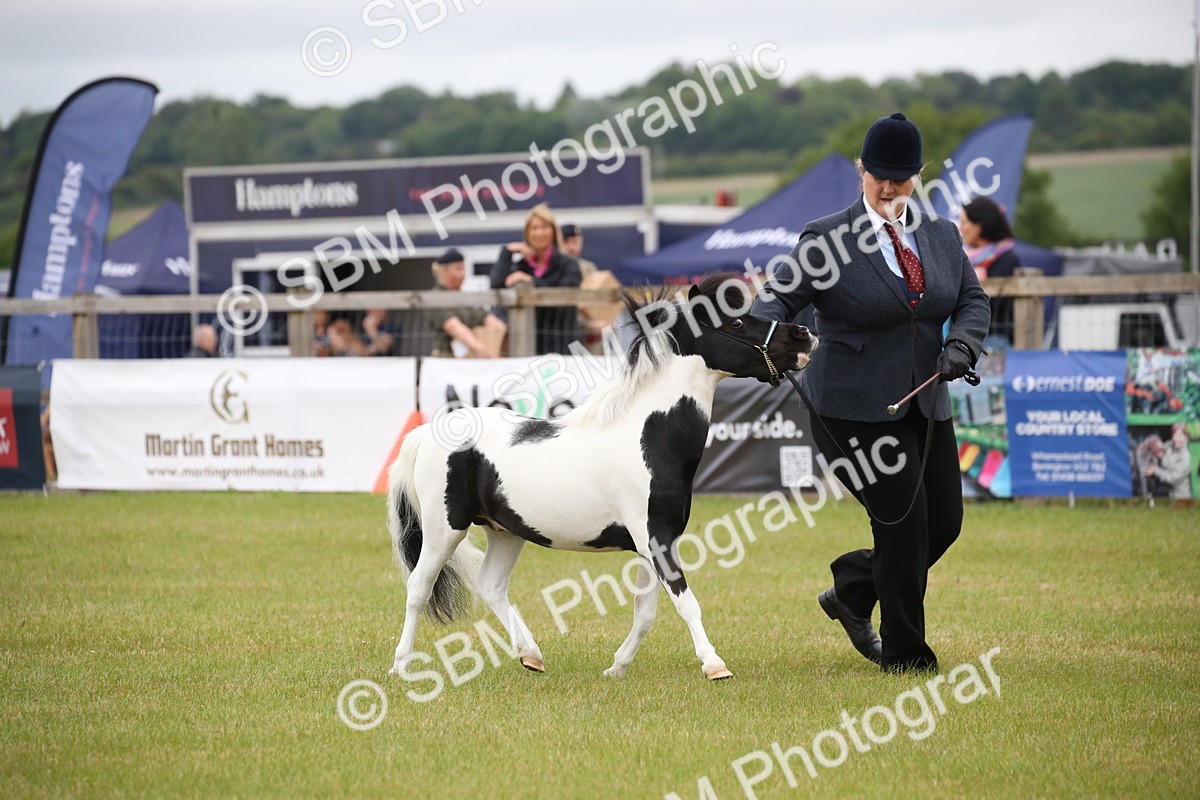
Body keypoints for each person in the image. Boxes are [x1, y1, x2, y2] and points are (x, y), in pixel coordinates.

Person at [750, 112, 991, 674]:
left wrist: (963, 346)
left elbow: (973, 302)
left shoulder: (940, 234)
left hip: (925, 401)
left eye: (901, 177)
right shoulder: (826, 238)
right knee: (904, 525)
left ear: (918, 176)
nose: (888, 187)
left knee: (944, 525)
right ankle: (906, 655)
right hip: (852, 410)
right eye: (879, 174)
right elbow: (774, 299)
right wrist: (765, 338)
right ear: (862, 170)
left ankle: (854, 589)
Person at [489, 204, 581, 355]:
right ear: (527, 233)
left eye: (544, 227)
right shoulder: (521, 266)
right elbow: (496, 284)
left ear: (553, 231)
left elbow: (564, 294)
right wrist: (507, 252)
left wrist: (531, 282)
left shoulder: (569, 264)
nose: (539, 233)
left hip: (564, 347)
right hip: (527, 348)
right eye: (534, 228)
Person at [959, 196, 1019, 347]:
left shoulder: (1006, 258)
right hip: (966, 335)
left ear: (978, 226)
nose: (960, 227)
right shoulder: (963, 256)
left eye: (964, 222)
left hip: (995, 338)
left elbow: (993, 304)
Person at [426, 248, 507, 358]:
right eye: (459, 269)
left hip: (471, 359)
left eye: (464, 269)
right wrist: (484, 351)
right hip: (447, 359)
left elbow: (485, 317)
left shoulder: (463, 297)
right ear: (444, 271)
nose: (464, 274)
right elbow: (453, 327)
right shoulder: (435, 298)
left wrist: (501, 333)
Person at [1143, 423, 1192, 499]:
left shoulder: (1185, 456)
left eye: (1179, 436)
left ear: (1185, 437)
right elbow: (1159, 450)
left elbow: (1173, 479)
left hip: (1178, 495)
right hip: (1164, 489)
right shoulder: (1169, 445)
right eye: (1174, 435)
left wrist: (1155, 470)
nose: (1176, 439)